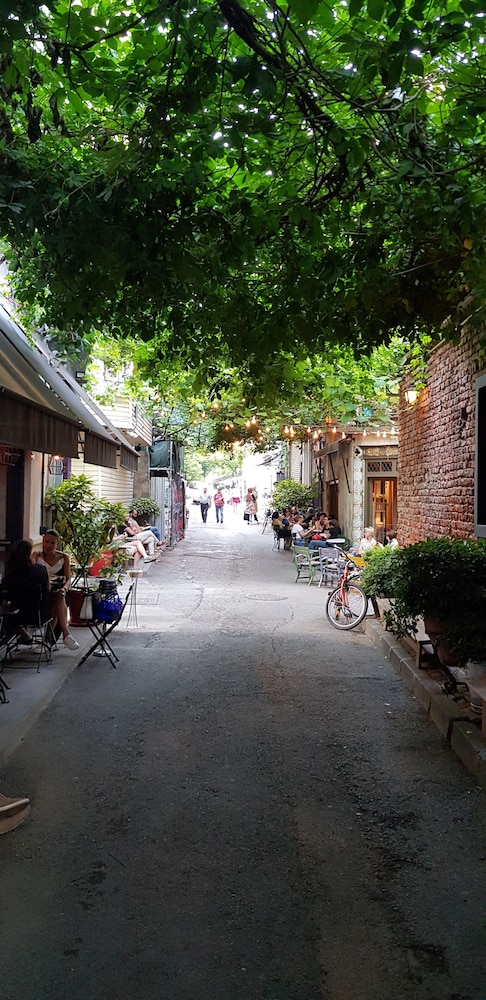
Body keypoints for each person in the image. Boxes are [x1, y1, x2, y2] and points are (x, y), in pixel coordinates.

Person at [31, 530, 79, 650]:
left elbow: (69, 579)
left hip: (60, 591)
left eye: (52, 543)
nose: (48, 545)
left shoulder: (64, 557)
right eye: (46, 542)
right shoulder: (36, 555)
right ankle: (65, 634)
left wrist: (64, 588)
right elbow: (33, 572)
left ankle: (49, 639)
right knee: (56, 600)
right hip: (42, 594)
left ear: (57, 544)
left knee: (59, 597)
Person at [4, 539, 50, 645]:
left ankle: (22, 632)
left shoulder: (11, 577)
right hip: (39, 615)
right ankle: (47, 638)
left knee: (8, 609)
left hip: (17, 616)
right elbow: (47, 589)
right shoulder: (40, 570)